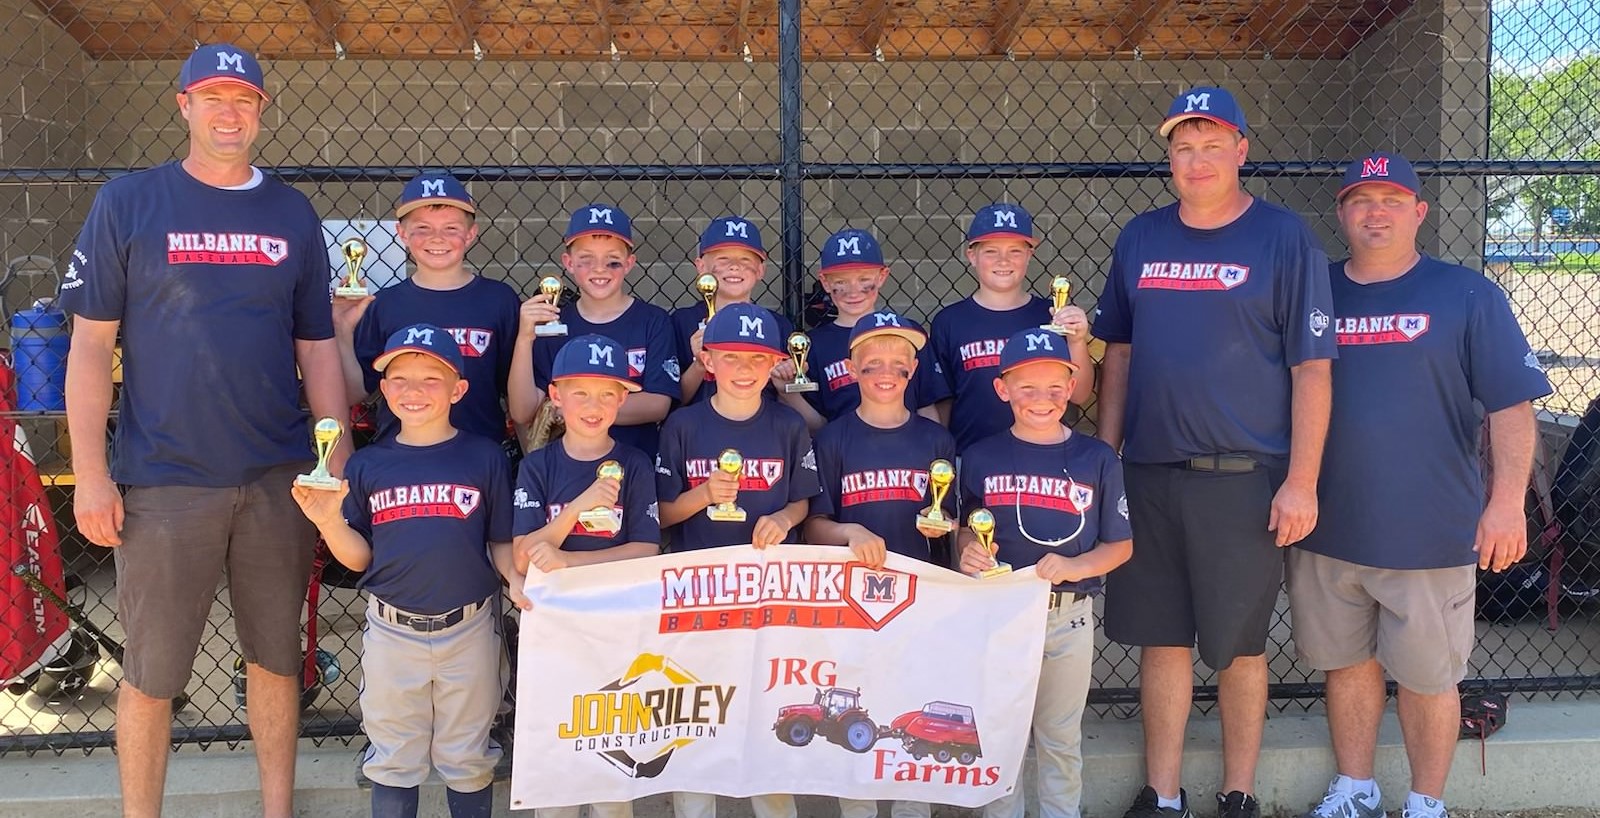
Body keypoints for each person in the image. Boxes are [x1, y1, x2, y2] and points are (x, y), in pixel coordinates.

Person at [59, 43, 349, 818]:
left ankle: (277, 809)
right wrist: (91, 472)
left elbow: (317, 347)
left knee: (275, 661)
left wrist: (335, 455)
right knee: (153, 676)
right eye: (214, 96)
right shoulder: (129, 203)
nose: (230, 112)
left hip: (278, 476)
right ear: (183, 103)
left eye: (245, 99)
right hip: (165, 479)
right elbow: (90, 346)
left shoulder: (290, 212)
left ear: (261, 111)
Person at [1091, 86, 1337, 818]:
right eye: (1182, 147)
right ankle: (1163, 794)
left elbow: (1312, 369)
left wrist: (1302, 480)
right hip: (1150, 472)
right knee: (1160, 642)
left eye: (1210, 145)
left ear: (1241, 150)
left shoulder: (1284, 237)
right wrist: (1106, 459)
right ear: (1169, 157)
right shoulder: (1141, 237)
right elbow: (1120, 354)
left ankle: (1239, 793)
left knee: (1238, 647)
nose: (1196, 161)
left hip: (1243, 477)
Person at [1288, 152, 1551, 818]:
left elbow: (1511, 408)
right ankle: (1356, 786)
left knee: (1431, 678)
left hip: (1430, 530)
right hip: (1330, 525)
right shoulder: (1314, 290)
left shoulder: (1466, 294)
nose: (1375, 212)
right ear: (1342, 212)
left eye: (1391, 200)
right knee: (1345, 664)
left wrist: (1505, 504)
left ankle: (1426, 802)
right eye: (1360, 200)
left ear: (1419, 212)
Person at [292, 323, 520, 818]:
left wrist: (520, 586)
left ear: (459, 389)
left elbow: (500, 542)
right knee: (395, 759)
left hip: (470, 627)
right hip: (392, 632)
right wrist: (329, 523)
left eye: (430, 379)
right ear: (384, 389)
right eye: (399, 379)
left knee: (469, 757)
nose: (413, 391)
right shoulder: (368, 465)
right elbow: (358, 559)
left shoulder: (483, 457)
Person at [955, 328, 1132, 818]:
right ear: (1002, 388)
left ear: (1073, 386)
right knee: (1000, 734)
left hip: (1067, 617)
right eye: (1027, 388)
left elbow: (1120, 544)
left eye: (1056, 388)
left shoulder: (1096, 457)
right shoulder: (981, 456)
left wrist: (1075, 565)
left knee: (1059, 737)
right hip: (1000, 615)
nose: (1042, 400)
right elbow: (965, 530)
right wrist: (969, 550)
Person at [655, 302, 819, 818]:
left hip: (769, 596)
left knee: (768, 713)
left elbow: (802, 498)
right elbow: (660, 514)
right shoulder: (682, 426)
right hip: (699, 596)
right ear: (708, 361)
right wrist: (703, 494)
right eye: (731, 357)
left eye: (757, 358)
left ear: (775, 363)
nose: (744, 369)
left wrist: (787, 520)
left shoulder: (787, 425)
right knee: (695, 718)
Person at [804, 310, 956, 818]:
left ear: (913, 369)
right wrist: (851, 532)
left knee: (911, 711)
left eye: (897, 363)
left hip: (920, 601)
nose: (885, 373)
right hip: (852, 604)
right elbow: (813, 527)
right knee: (857, 719)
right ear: (851, 369)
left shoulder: (936, 442)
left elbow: (953, 527)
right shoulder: (833, 440)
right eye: (871, 365)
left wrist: (948, 529)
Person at [338, 173, 526, 447]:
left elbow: (516, 398)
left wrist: (529, 467)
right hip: (400, 461)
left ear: (471, 234)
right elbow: (354, 392)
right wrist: (342, 330)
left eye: (451, 228)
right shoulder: (385, 304)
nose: (437, 238)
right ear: (401, 233)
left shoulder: (499, 300)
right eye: (422, 228)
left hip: (480, 458)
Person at [929, 203, 1092, 450]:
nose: (1003, 260)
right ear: (972, 256)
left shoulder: (1051, 316)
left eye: (1015, 251)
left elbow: (1080, 395)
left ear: (1030, 254)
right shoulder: (950, 321)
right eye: (991, 251)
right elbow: (943, 402)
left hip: (1043, 456)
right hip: (971, 454)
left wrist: (1077, 341)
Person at [519, 205, 678, 458]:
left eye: (612, 261)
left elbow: (658, 404)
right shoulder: (554, 324)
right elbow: (523, 411)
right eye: (586, 260)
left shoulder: (653, 320)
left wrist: (574, 410)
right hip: (566, 469)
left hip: (635, 465)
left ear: (629, 263)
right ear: (568, 263)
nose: (600, 269)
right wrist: (524, 338)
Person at [780, 229, 943, 431]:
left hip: (907, 454)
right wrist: (787, 393)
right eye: (841, 282)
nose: (853, 290)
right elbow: (818, 425)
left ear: (882, 276)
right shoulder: (814, 346)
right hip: (844, 455)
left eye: (864, 279)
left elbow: (926, 406)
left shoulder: (908, 332)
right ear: (825, 282)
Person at [671, 216, 796, 405]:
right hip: (699, 429)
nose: (735, 266)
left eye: (745, 259)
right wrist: (699, 364)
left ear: (761, 270)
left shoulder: (777, 325)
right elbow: (674, 402)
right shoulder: (682, 321)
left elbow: (785, 402)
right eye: (723, 259)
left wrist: (788, 379)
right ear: (701, 267)